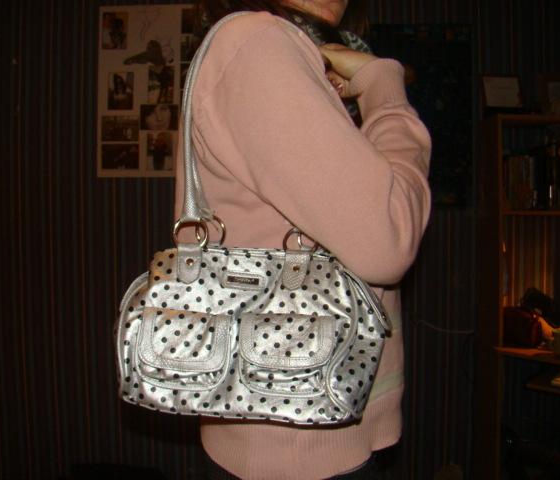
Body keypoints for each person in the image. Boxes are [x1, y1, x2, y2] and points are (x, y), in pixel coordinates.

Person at [174, 0, 432, 478]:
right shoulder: (257, 43)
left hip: (303, 423)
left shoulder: (266, 46)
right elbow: (389, 239)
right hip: (298, 439)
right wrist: (383, 88)